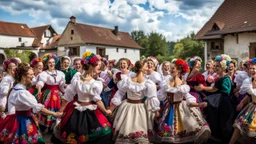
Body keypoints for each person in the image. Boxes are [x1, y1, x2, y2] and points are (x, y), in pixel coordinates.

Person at [51, 51, 113, 143]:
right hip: (90, 111)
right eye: (97, 65)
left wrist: (61, 110)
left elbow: (67, 97)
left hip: (76, 109)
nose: (99, 67)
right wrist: (105, 111)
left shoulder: (77, 80)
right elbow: (97, 100)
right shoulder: (94, 83)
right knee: (103, 132)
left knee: (74, 134)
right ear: (91, 66)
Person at [0, 63, 62, 143]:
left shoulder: (15, 88)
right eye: (31, 74)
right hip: (24, 121)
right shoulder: (21, 92)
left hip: (17, 118)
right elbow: (38, 108)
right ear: (23, 76)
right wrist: (55, 114)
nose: (33, 76)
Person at [155, 59, 210, 143]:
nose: (170, 70)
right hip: (168, 108)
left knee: (178, 135)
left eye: (173, 68)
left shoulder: (183, 85)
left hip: (180, 110)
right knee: (167, 135)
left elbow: (189, 100)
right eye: (170, 68)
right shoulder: (165, 82)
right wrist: (156, 109)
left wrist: (199, 105)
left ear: (179, 70)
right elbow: (160, 97)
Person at [109, 60, 160, 144]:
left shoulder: (129, 80)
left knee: (127, 128)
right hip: (139, 107)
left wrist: (111, 108)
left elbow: (119, 94)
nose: (147, 68)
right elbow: (152, 98)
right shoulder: (147, 83)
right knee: (137, 129)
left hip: (127, 106)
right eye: (146, 66)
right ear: (143, 69)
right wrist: (156, 111)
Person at [195, 54, 236, 143]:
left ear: (223, 67)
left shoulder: (225, 77)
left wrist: (203, 88)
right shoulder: (220, 77)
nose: (216, 68)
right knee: (219, 122)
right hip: (221, 102)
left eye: (218, 66)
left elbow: (215, 89)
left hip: (224, 103)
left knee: (224, 123)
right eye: (215, 66)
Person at [36, 53, 65, 132]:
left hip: (58, 94)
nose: (52, 64)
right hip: (48, 94)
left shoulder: (60, 73)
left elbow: (61, 84)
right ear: (46, 64)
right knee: (47, 109)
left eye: (53, 62)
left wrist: (65, 87)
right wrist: (39, 90)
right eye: (49, 62)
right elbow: (41, 83)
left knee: (59, 108)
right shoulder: (44, 74)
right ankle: (46, 126)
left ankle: (55, 126)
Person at [229, 58, 256, 144]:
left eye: (254, 68)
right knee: (239, 125)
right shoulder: (249, 81)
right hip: (252, 106)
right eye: (250, 68)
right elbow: (249, 95)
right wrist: (242, 102)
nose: (252, 70)